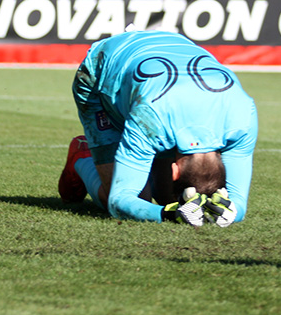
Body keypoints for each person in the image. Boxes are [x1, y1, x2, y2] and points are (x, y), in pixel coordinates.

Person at [57, 29, 258, 226]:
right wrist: (170, 214)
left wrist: (229, 213)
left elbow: (238, 202)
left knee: (165, 197)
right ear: (175, 171)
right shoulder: (150, 117)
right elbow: (119, 201)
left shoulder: (244, 115)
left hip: (170, 46)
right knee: (139, 200)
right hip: (101, 70)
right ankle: (82, 157)